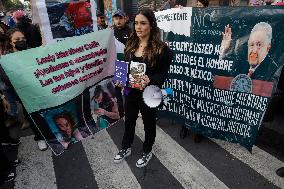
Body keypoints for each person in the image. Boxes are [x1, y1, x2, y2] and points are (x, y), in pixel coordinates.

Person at [113, 9, 173, 168]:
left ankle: (147, 150)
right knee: (129, 121)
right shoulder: (131, 44)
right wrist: (121, 80)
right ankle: (126, 148)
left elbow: (163, 75)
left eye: (143, 23)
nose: (138, 27)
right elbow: (127, 68)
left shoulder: (162, 49)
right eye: (136, 23)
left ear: (151, 25)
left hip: (150, 93)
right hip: (131, 91)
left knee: (149, 123)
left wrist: (151, 79)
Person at [1, 28, 48, 151]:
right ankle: (40, 137)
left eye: (23, 39)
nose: (21, 41)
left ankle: (51, 133)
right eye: (17, 39)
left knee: (45, 112)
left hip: (39, 89)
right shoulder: (6, 59)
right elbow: (6, 79)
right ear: (11, 42)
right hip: (24, 93)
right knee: (33, 116)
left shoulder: (31, 51)